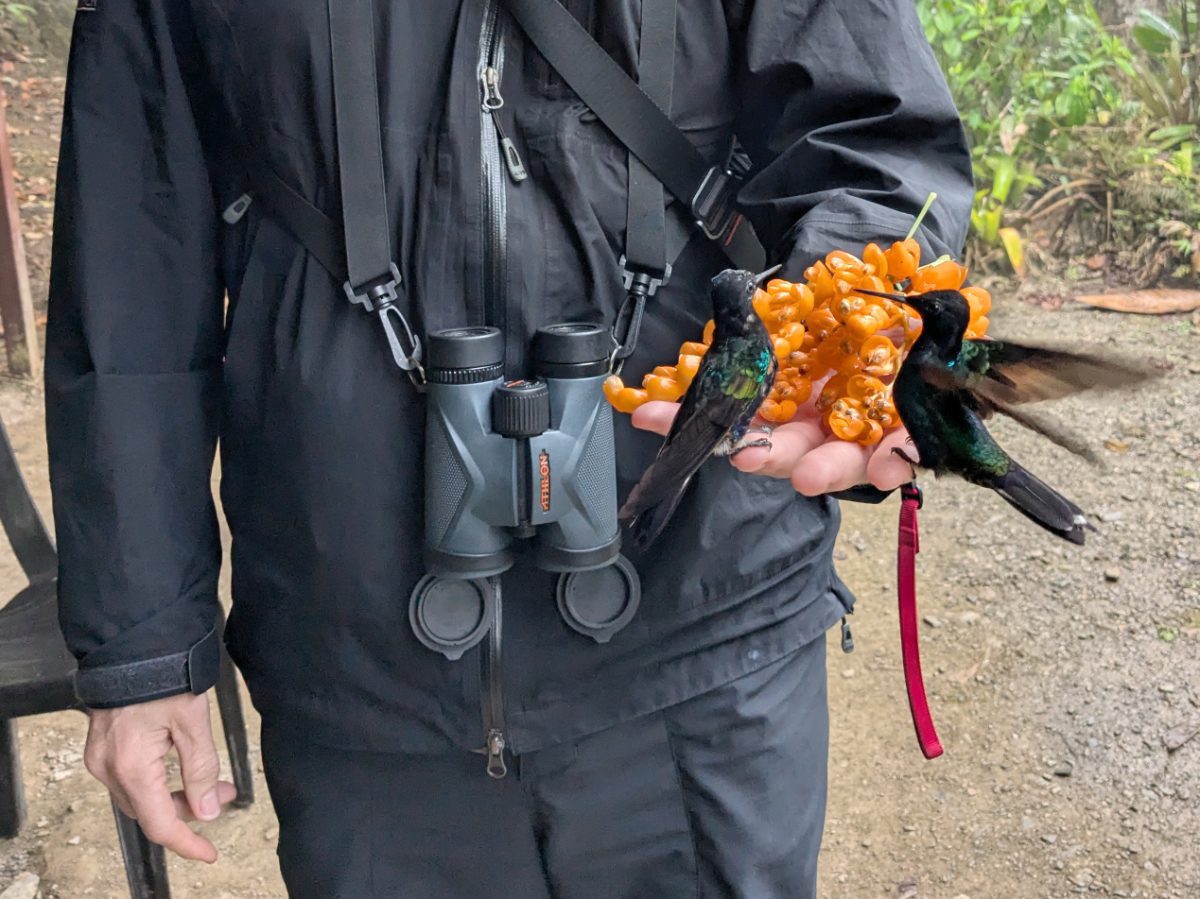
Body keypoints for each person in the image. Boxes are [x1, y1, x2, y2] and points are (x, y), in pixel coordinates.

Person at [45, 1, 972, 896]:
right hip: (359, 656)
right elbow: (133, 239)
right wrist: (143, 641)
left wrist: (850, 344)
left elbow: (874, 140)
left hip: (700, 617)